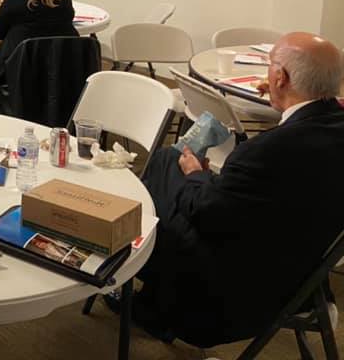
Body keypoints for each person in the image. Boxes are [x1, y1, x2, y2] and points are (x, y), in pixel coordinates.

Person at [132, 32, 344, 347]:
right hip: (300, 273)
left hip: (233, 293)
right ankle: (152, 300)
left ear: (280, 77)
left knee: (167, 161)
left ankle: (149, 293)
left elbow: (206, 213)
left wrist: (195, 175)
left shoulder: (265, 151)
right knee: (174, 172)